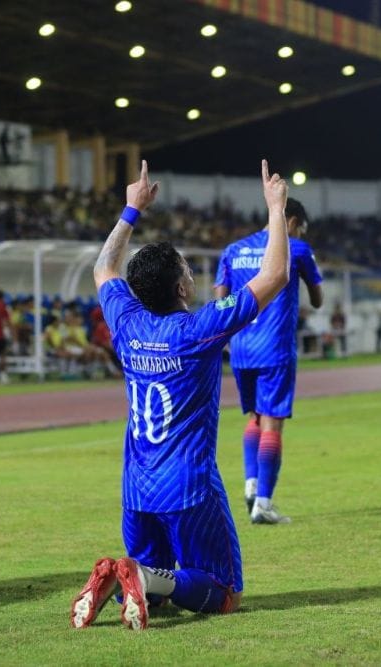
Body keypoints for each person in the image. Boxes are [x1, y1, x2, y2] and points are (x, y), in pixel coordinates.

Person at [70, 159, 291, 631]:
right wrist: (276, 209)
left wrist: (131, 210)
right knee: (224, 594)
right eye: (188, 270)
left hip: (136, 487)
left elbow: (103, 267)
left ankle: (119, 576)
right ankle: (140, 577)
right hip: (188, 487)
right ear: (181, 286)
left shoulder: (127, 320)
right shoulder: (197, 329)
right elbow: (274, 275)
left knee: (158, 589)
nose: (193, 276)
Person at [214, 197, 323, 524]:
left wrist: (228, 338)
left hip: (241, 349)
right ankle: (263, 503)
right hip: (275, 346)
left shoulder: (233, 250)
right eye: (300, 228)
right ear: (293, 222)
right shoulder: (296, 248)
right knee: (273, 421)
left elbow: (220, 300)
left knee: (255, 416)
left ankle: (250, 484)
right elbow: (318, 300)